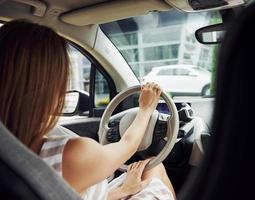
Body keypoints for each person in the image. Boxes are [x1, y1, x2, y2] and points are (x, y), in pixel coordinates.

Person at [0, 20, 175, 200]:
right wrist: (146, 109)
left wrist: (123, 191)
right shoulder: (71, 154)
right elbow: (128, 145)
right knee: (155, 170)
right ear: (50, 87)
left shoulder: (9, 156)